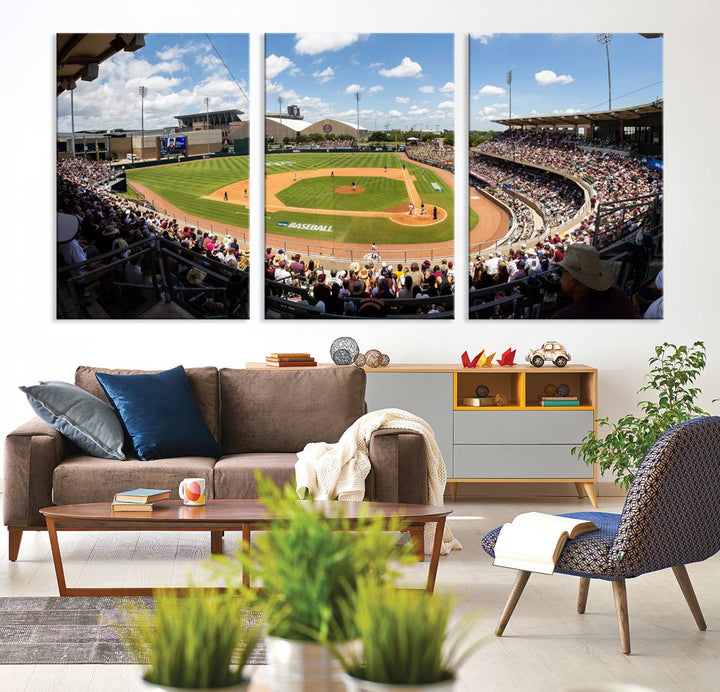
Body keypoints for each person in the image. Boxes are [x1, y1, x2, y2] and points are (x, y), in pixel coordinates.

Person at [552, 244, 635, 319]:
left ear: (572, 277)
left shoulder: (565, 318)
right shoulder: (618, 293)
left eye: (562, 270)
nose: (561, 276)